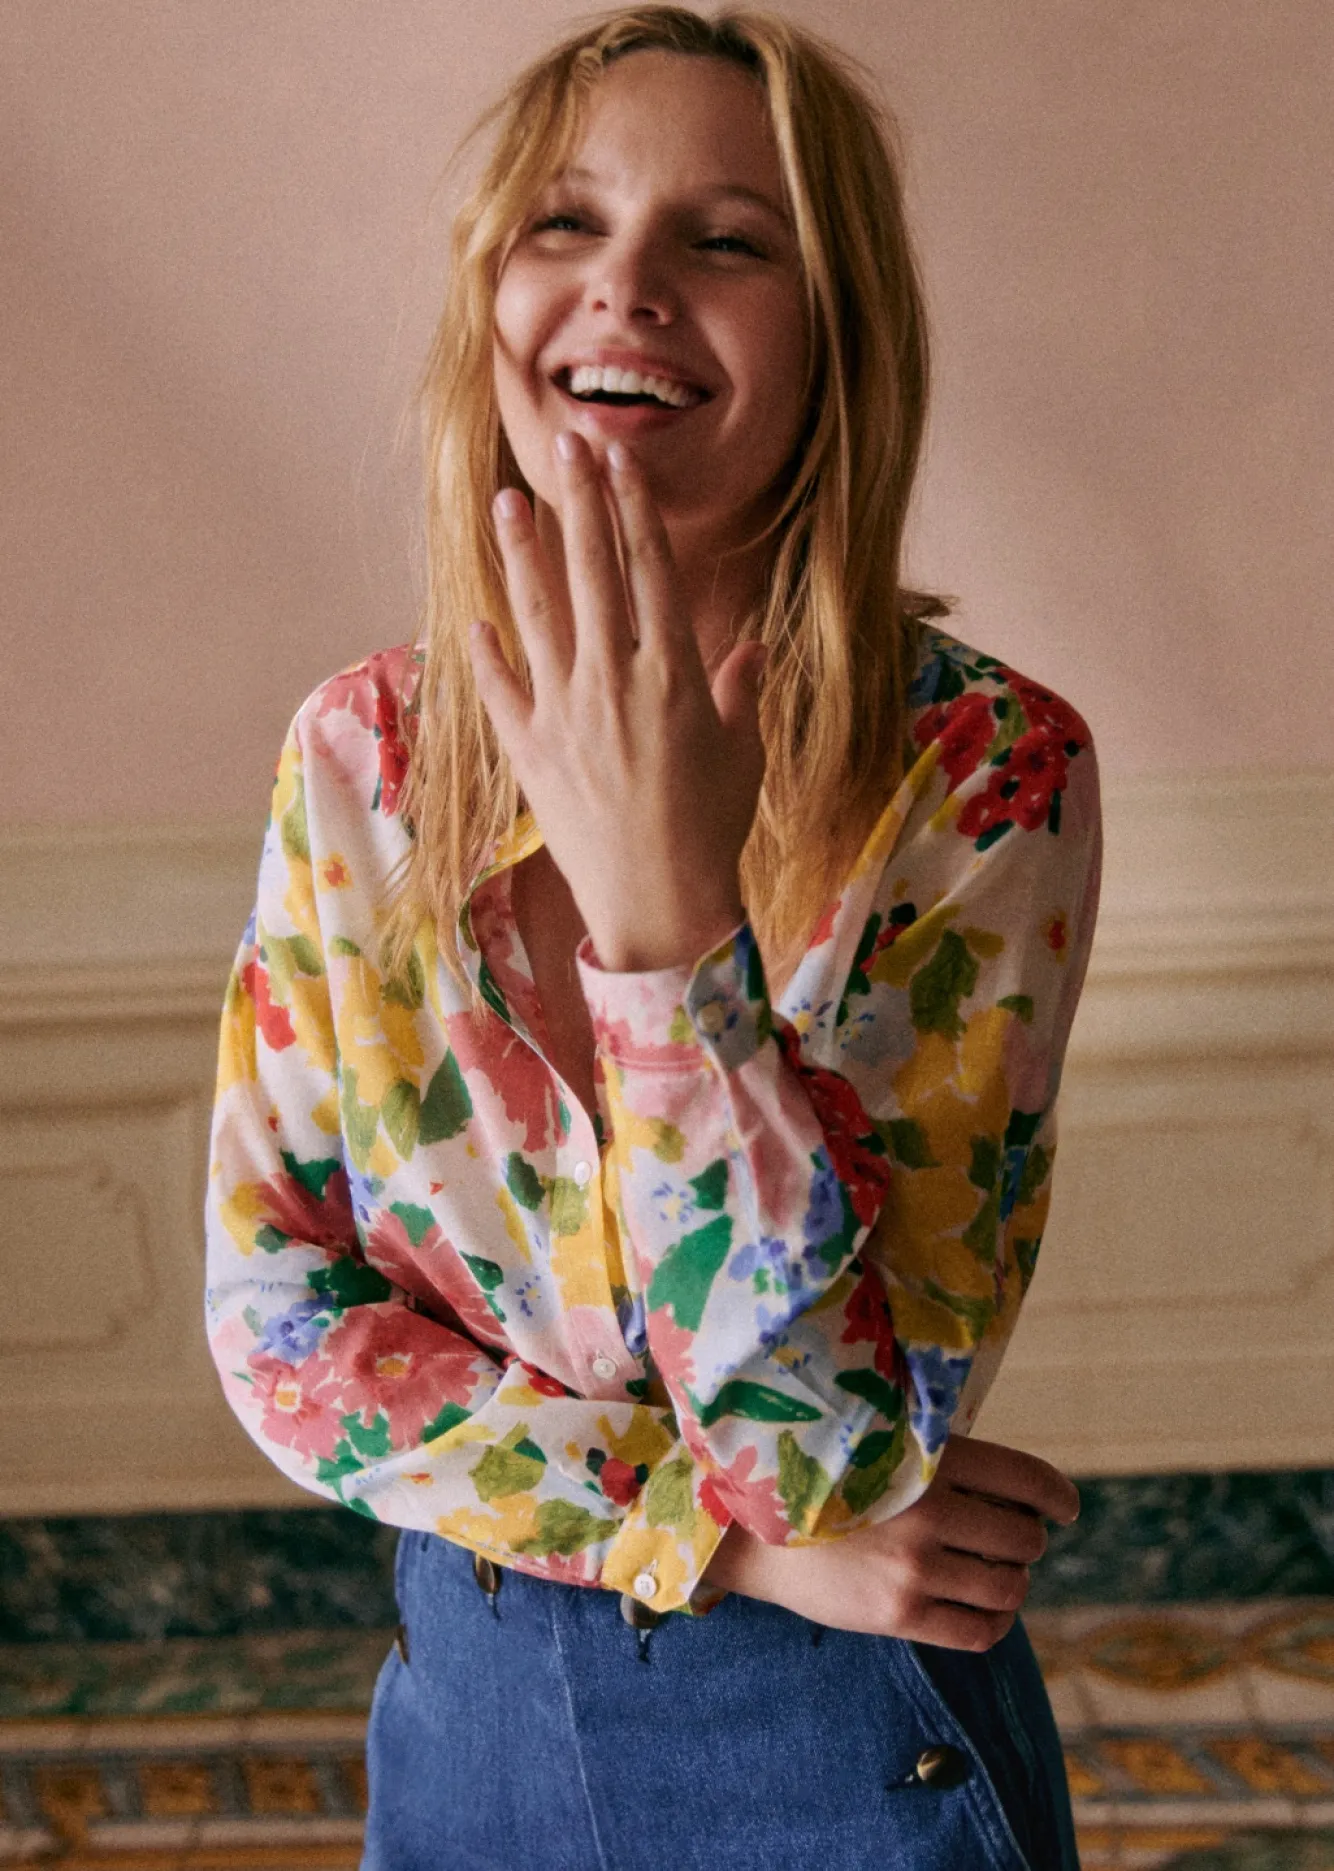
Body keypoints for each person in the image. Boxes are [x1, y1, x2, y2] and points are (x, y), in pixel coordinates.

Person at [204, 9, 1102, 1867]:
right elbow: (281, 1329)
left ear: (834, 338)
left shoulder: (982, 773)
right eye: (568, 221)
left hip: (837, 1755)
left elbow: (826, 1451)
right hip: (474, 1724)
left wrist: (661, 922)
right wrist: (711, 1540)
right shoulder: (362, 754)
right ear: (493, 297)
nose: (628, 283)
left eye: (728, 237)